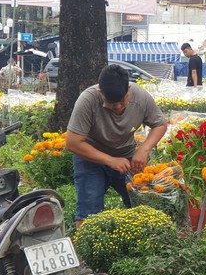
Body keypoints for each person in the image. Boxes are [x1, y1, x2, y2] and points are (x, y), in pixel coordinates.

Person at [66, 64, 167, 227]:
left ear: (129, 90)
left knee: (141, 204)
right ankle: (86, 248)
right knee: (89, 208)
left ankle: (143, 244)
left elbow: (160, 124)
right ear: (101, 93)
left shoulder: (140, 97)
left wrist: (144, 149)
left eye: (122, 101)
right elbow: (73, 142)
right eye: (112, 103)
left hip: (126, 158)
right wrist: (110, 160)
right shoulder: (88, 100)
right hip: (91, 158)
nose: (118, 107)